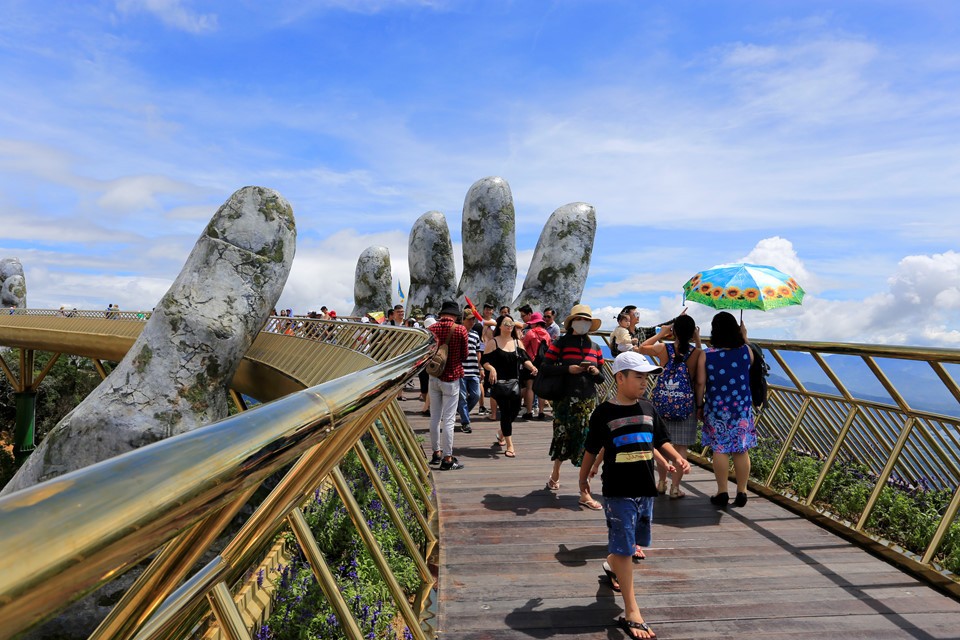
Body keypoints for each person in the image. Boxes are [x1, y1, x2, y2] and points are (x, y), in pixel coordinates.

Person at [580, 351, 690, 639]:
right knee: (627, 549)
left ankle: (611, 564)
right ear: (620, 377)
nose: (644, 383)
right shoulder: (603, 412)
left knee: (629, 544)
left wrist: (674, 459)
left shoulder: (648, 408)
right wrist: (584, 482)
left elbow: (658, 439)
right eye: (639, 377)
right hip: (617, 491)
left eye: (646, 378)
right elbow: (592, 449)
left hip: (645, 489)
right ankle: (632, 610)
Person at [540, 304, 605, 509]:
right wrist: (569, 369)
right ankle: (555, 473)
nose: (584, 323)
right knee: (563, 437)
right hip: (564, 399)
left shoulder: (595, 347)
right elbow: (545, 367)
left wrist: (594, 372)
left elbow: (602, 378)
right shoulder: (560, 343)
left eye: (587, 320)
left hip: (587, 401)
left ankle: (583, 491)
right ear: (572, 322)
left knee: (587, 442)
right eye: (581, 319)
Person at [696, 311, 756, 507]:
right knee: (741, 448)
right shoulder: (746, 351)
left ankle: (722, 492)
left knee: (720, 448)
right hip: (741, 409)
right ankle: (742, 491)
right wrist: (744, 336)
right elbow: (751, 363)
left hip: (717, 409)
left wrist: (699, 405)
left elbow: (700, 383)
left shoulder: (707, 355)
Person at [639, 313, 702, 498]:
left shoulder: (664, 349)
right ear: (692, 333)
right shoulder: (697, 353)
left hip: (663, 403)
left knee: (661, 444)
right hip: (685, 405)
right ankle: (675, 488)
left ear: (674, 332)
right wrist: (697, 340)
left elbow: (642, 348)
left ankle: (661, 482)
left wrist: (662, 333)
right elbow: (699, 379)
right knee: (680, 447)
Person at [481, 314, 537, 458]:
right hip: (499, 384)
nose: (509, 325)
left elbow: (525, 359)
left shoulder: (517, 343)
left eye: (511, 323)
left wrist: (532, 367)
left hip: (514, 383)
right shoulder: (493, 342)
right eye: (506, 323)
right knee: (505, 413)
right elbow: (485, 362)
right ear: (499, 326)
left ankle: (501, 433)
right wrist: (491, 369)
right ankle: (510, 445)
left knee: (515, 410)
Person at [427, 302, 469, 470]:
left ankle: (436, 453)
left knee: (435, 417)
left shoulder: (432, 329)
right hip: (451, 377)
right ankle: (447, 458)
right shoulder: (460, 329)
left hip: (434, 376)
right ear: (455, 315)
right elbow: (465, 355)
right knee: (449, 420)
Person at [520, 311, 551, 420]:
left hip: (531, 362)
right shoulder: (547, 334)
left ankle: (529, 412)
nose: (531, 324)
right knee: (541, 387)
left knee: (530, 387)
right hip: (543, 362)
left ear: (536, 323)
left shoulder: (531, 333)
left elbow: (523, 346)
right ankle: (541, 412)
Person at [457, 310, 482, 434]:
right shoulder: (457, 332)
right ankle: (465, 422)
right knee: (461, 397)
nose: (472, 322)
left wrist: (480, 367)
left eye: (473, 319)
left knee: (476, 395)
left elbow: (478, 352)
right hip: (460, 370)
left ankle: (462, 411)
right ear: (463, 319)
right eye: (470, 319)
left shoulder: (475, 334)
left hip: (473, 370)